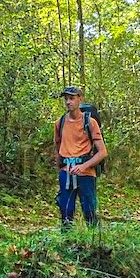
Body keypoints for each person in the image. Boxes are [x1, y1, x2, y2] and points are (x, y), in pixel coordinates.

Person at [53, 86, 107, 227]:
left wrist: (84, 166)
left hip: (86, 173)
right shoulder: (60, 123)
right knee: (66, 212)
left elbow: (102, 152)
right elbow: (58, 148)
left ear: (80, 99)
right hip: (66, 172)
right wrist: (60, 169)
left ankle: (94, 238)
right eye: (66, 99)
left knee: (89, 211)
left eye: (71, 98)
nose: (68, 102)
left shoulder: (90, 123)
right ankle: (67, 238)